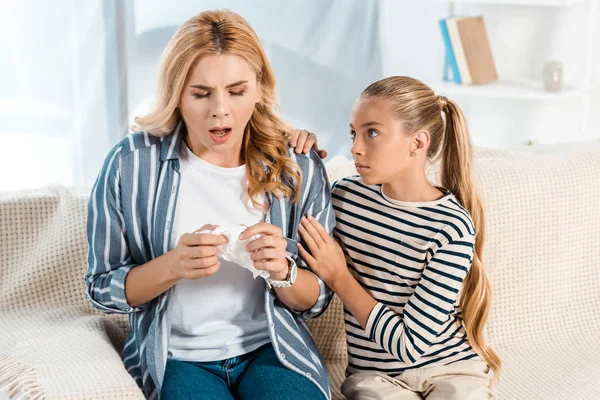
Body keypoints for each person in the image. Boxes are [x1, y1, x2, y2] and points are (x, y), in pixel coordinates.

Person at [85, 9, 334, 400]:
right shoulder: (130, 164)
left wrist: (283, 271)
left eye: (237, 91)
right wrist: (172, 266)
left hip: (272, 351)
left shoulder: (297, 165)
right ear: (176, 93)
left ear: (259, 89)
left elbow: (318, 297)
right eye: (201, 94)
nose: (220, 110)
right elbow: (101, 287)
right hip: (177, 358)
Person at [298, 76, 501, 399]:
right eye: (354, 133)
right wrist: (296, 145)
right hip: (376, 377)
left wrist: (339, 276)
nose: (355, 147)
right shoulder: (345, 197)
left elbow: (409, 347)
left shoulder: (451, 227)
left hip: (451, 369)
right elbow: (290, 203)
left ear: (417, 143)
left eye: (372, 132)